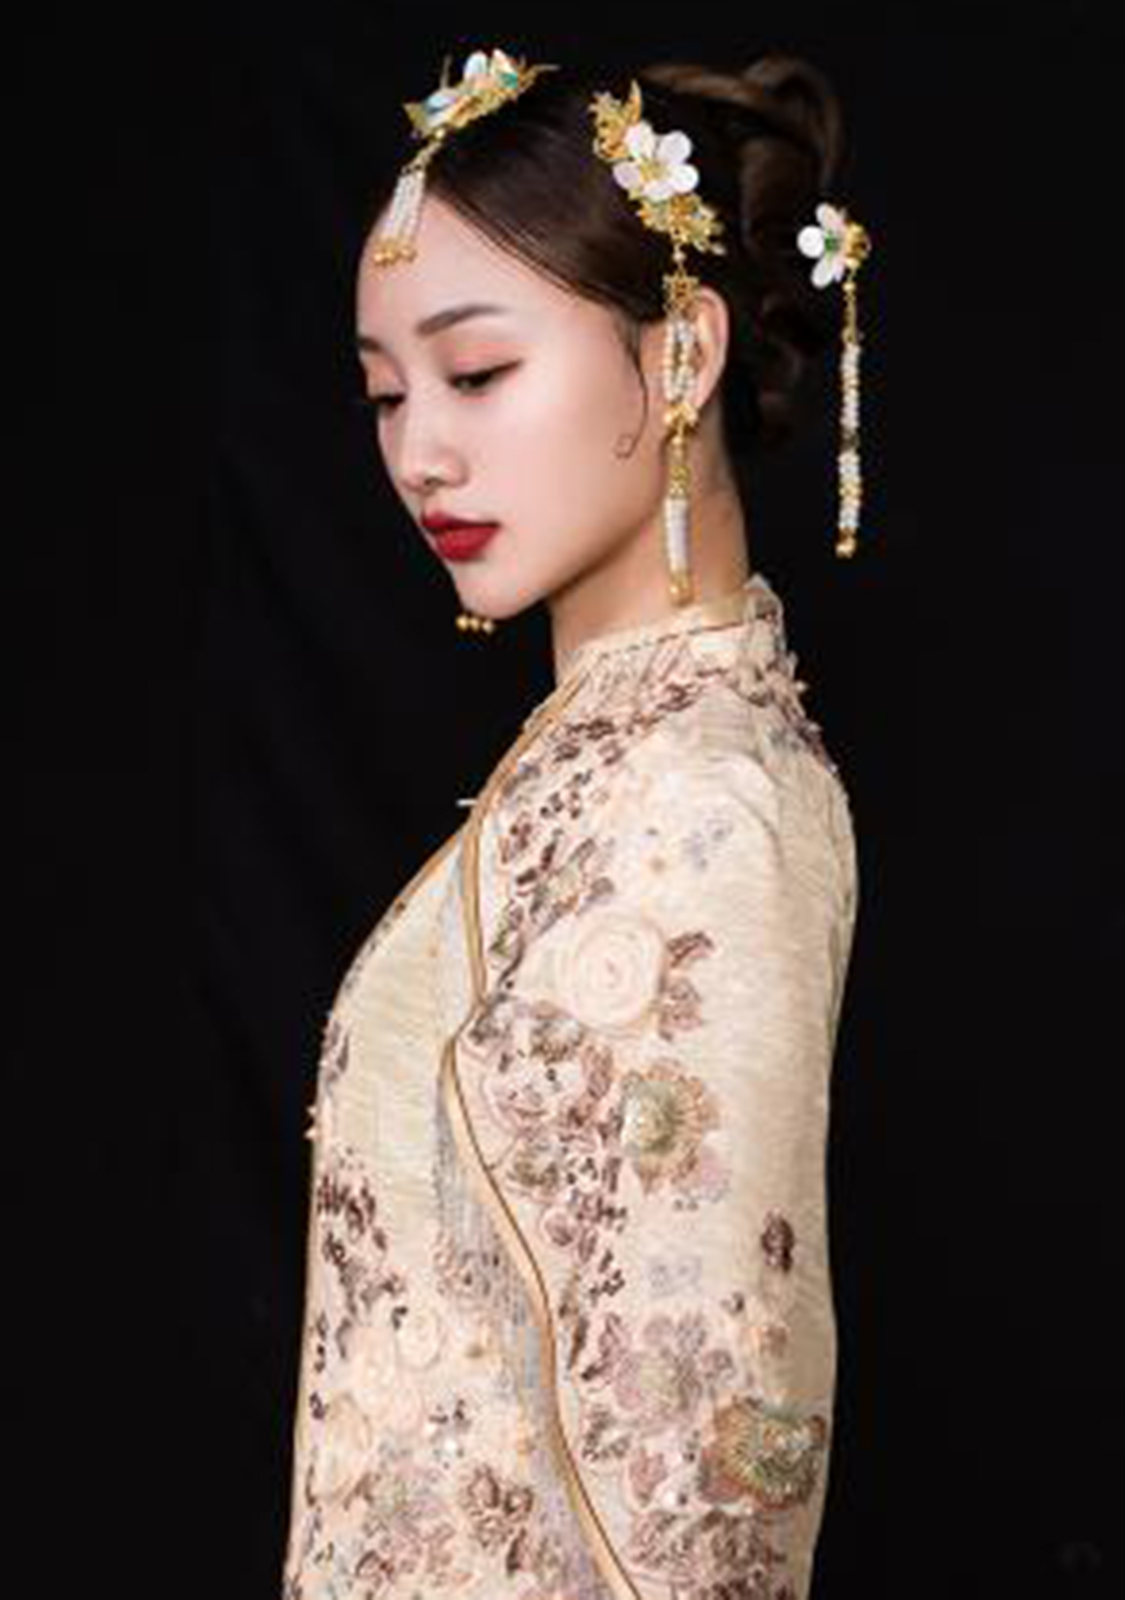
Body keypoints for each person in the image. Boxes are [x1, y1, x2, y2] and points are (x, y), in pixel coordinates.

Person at [282, 46, 868, 1600]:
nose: (420, 451)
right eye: (386, 393)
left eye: (476, 373)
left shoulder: (707, 799)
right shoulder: (597, 769)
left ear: (680, 356)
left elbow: (706, 1455)